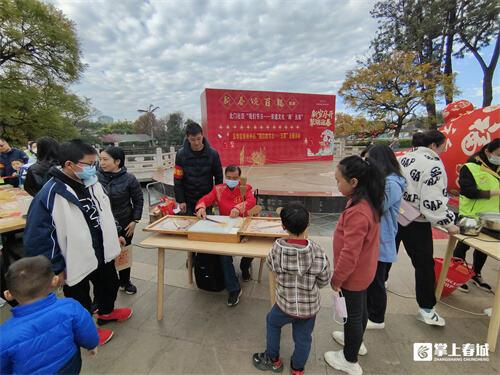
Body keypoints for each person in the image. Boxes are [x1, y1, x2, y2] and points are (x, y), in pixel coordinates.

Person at [23, 139, 133, 346]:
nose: (95, 168)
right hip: (75, 255)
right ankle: (86, 332)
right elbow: (38, 236)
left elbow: (105, 211)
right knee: (79, 297)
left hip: (102, 249)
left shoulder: (92, 182)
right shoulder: (50, 194)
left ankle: (106, 312)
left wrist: (116, 232)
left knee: (109, 283)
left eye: (96, 163)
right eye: (90, 164)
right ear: (69, 165)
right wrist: (55, 267)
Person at [253, 203, 331, 375]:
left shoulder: (276, 250)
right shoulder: (318, 252)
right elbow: (324, 280)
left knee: (272, 322)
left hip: (284, 305)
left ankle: (272, 358)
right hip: (309, 308)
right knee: (303, 339)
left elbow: (270, 266)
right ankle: (297, 369)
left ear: (283, 226)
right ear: (308, 224)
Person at [324, 155, 384, 375]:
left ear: (354, 182)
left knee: (353, 316)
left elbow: (350, 253)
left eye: (339, 180)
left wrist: (337, 278)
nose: (337, 184)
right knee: (360, 310)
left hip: (354, 274)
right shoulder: (364, 200)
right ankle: (356, 343)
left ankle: (350, 359)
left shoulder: (358, 211)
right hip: (365, 270)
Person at [397, 130, 459, 327]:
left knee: (385, 258)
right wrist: (449, 223)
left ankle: (375, 299)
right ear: (434, 145)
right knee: (424, 265)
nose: (444, 150)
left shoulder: (405, 157)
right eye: (443, 146)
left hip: (397, 213)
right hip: (417, 220)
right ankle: (426, 309)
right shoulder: (433, 164)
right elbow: (433, 203)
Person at [0, 256, 99, 375]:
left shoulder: (4, 334)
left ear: (8, 295)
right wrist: (92, 345)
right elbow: (87, 330)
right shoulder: (70, 306)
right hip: (69, 364)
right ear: (55, 280)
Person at [195, 165, 256, 306]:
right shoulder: (219, 189)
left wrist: (238, 207)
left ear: (239, 178)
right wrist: (202, 207)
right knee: (224, 255)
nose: (232, 180)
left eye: (235, 178)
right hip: (226, 227)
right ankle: (234, 288)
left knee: (252, 247)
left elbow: (252, 201)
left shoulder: (245, 188)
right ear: (225, 176)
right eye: (229, 177)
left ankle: (245, 266)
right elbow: (205, 199)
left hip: (243, 226)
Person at [362, 145, 406, 330]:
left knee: (376, 281)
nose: (367, 164)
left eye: (369, 160)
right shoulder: (384, 180)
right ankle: (370, 311)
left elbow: (377, 207)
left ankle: (377, 317)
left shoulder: (391, 183)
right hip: (375, 236)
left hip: (381, 238)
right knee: (370, 279)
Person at [454, 138, 499, 293]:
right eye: (498, 154)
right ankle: (456, 273)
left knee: (484, 249)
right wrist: (492, 193)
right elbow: (468, 191)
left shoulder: (498, 170)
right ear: (487, 151)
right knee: (463, 245)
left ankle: (476, 274)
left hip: (491, 218)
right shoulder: (470, 167)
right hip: (470, 215)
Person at [97, 146, 144, 295]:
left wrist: (135, 220)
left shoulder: (129, 178)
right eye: (100, 159)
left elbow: (138, 199)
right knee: (105, 255)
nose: (101, 163)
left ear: (117, 161)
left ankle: (125, 281)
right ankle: (109, 283)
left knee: (124, 253)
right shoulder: (96, 178)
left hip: (125, 222)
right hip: (102, 223)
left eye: (105, 159)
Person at [174, 121, 223, 215]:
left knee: (206, 226)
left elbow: (218, 178)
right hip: (188, 199)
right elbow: (177, 179)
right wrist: (181, 200)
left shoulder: (213, 154)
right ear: (187, 138)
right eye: (192, 139)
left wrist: (217, 198)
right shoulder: (181, 155)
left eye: (198, 139)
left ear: (202, 135)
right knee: (188, 226)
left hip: (207, 199)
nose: (196, 143)